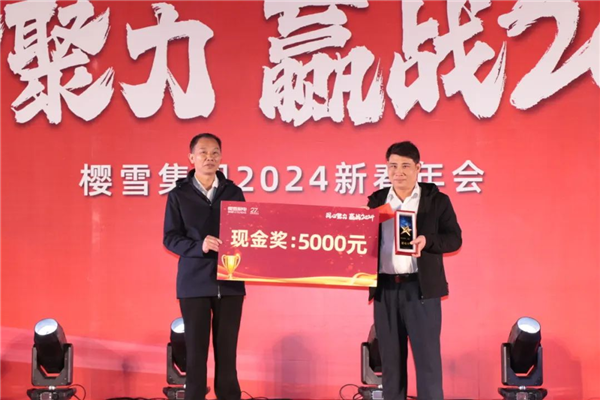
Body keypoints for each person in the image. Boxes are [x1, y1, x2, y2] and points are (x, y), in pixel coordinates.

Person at [367, 141, 462, 400]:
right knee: (390, 364)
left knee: (428, 362)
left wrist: (427, 241)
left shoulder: (436, 201)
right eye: (393, 166)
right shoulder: (377, 200)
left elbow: (454, 239)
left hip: (421, 291)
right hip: (385, 290)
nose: (398, 172)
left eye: (405, 166)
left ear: (418, 168)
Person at [164, 133, 245, 400]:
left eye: (215, 153)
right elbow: (170, 238)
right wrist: (199, 246)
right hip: (194, 283)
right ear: (192, 158)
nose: (209, 158)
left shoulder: (234, 192)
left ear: (221, 157)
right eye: (203, 152)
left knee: (228, 352)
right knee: (196, 354)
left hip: (230, 281)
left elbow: (247, 232)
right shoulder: (179, 195)